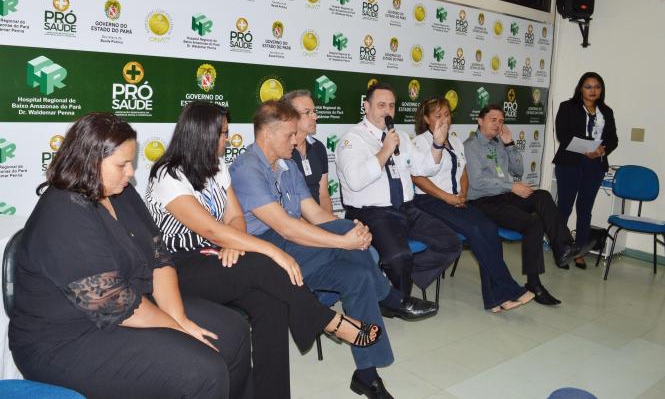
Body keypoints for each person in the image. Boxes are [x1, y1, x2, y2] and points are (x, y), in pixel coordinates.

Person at [146, 102, 381, 399]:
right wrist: (272, 251)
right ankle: (328, 321)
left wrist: (233, 242)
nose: (228, 139)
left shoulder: (216, 168)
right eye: (222, 133)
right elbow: (211, 229)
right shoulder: (168, 175)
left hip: (216, 253)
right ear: (202, 134)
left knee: (271, 302)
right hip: (177, 269)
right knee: (265, 263)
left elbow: (234, 218)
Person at [9, 113, 252, 399]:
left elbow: (160, 258)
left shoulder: (119, 192)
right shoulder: (63, 213)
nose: (131, 173)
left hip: (130, 309)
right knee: (203, 370)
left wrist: (180, 319)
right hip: (63, 340)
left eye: (131, 163)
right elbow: (114, 305)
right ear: (89, 161)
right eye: (122, 164)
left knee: (233, 331)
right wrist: (176, 327)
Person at [230, 100, 430, 399]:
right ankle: (389, 296)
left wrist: (351, 234)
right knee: (353, 243)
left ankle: (367, 375)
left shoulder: (286, 164)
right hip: (266, 253)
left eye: (297, 134)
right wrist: (343, 240)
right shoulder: (247, 168)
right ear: (267, 135)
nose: (297, 140)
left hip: (298, 245)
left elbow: (314, 213)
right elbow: (284, 226)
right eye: (290, 135)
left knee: (358, 275)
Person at [335, 83, 462, 304]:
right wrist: (384, 151)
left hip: (406, 208)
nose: (387, 111)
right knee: (398, 256)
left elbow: (425, 168)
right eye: (381, 105)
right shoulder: (352, 139)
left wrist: (438, 145)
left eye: (391, 106)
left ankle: (396, 280)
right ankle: (399, 300)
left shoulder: (401, 137)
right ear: (366, 107)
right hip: (372, 213)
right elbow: (355, 181)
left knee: (451, 242)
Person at [411, 97, 534, 312]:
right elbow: (418, 178)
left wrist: (463, 193)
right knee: (477, 229)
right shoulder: (418, 143)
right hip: (430, 200)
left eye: (447, 115)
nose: (444, 120)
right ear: (426, 118)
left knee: (489, 229)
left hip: (456, 199)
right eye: (438, 115)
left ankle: (494, 299)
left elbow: (464, 171)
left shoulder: (456, 141)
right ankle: (509, 289)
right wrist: (446, 197)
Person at [464, 104, 589, 306]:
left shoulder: (499, 143)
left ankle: (563, 247)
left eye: (501, 121)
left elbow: (518, 170)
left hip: (504, 194)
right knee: (533, 224)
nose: (498, 124)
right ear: (480, 121)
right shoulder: (471, 146)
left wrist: (510, 144)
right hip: (482, 201)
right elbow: (478, 182)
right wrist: (511, 187)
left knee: (542, 196)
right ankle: (534, 284)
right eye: (493, 120)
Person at [554, 72, 618, 269]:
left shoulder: (606, 112)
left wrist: (601, 149)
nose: (593, 91)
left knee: (585, 209)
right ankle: (561, 249)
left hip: (595, 165)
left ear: (602, 90)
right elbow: (563, 135)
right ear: (580, 88)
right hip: (569, 163)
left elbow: (613, 139)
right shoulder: (567, 107)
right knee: (564, 207)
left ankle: (579, 252)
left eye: (597, 87)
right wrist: (587, 148)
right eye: (588, 86)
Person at [282, 89, 334, 213]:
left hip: (319, 218)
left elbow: (324, 195)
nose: (315, 117)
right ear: (290, 116)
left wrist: (330, 222)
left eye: (314, 112)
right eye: (307, 112)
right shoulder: (281, 150)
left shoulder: (318, 147)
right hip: (295, 222)